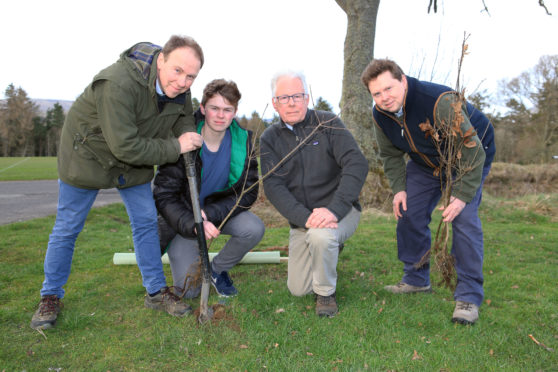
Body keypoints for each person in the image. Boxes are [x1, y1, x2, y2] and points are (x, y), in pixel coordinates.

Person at [30, 35, 205, 330]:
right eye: (178, 71)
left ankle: (155, 292)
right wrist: (177, 146)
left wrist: (188, 136)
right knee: (68, 226)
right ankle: (50, 296)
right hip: (87, 154)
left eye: (191, 76)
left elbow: (183, 117)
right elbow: (124, 145)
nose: (184, 81)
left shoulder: (180, 90)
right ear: (161, 60)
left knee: (146, 222)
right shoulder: (117, 83)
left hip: (132, 161)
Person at [360, 58, 495, 325]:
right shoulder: (380, 115)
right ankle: (416, 279)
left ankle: (468, 296)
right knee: (409, 211)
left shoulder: (439, 102)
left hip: (469, 159)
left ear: (403, 81)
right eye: (377, 93)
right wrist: (399, 189)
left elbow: (473, 149)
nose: (384, 98)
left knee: (463, 218)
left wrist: (462, 195)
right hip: (426, 163)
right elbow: (390, 155)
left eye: (389, 89)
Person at [259, 71, 368, 318]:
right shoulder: (269, 139)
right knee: (298, 290)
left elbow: (357, 164)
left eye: (297, 95)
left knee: (321, 237)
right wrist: (305, 218)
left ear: (307, 98)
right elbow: (273, 186)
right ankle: (327, 248)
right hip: (302, 221)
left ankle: (326, 294)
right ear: (274, 102)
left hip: (342, 210)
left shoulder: (327, 123)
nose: (291, 102)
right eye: (284, 97)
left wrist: (334, 209)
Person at [153, 79, 264, 298]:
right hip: (185, 219)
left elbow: (249, 192)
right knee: (190, 292)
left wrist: (208, 214)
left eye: (227, 109)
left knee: (254, 228)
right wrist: (194, 222)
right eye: (214, 108)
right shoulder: (182, 137)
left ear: (234, 112)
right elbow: (164, 194)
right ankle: (191, 256)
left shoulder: (244, 141)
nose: (220, 115)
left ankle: (217, 269)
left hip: (217, 212)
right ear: (203, 108)